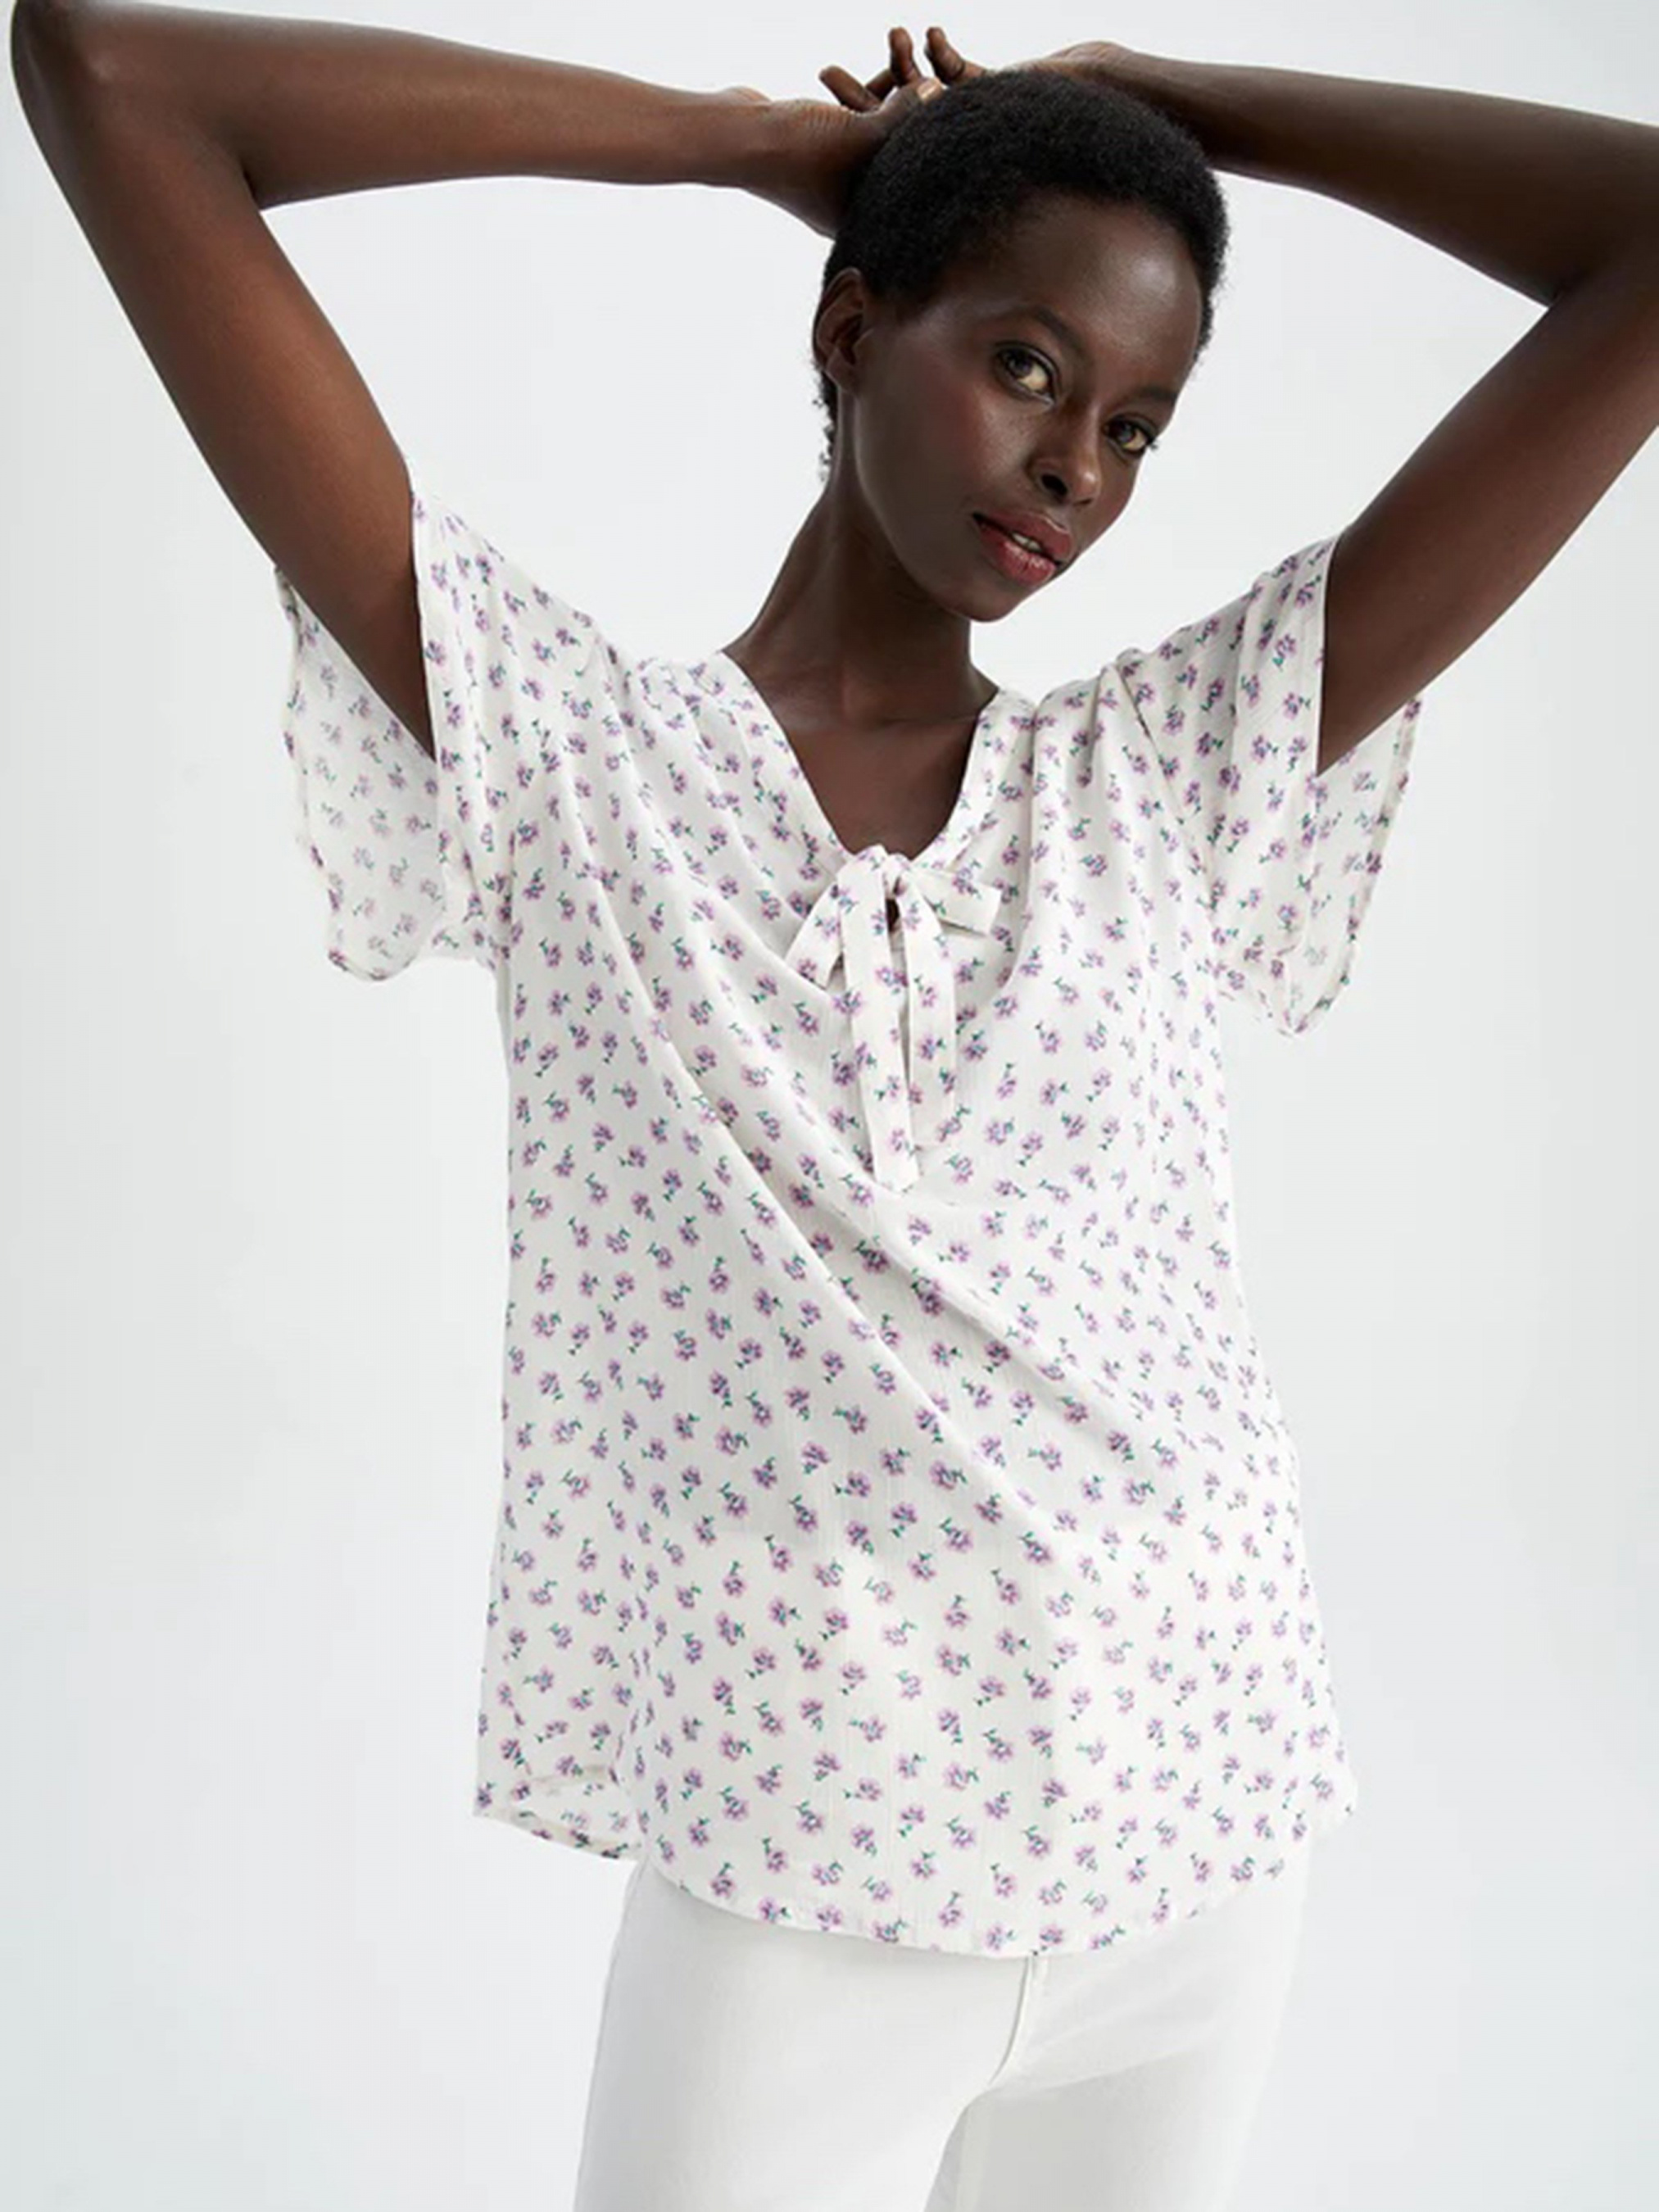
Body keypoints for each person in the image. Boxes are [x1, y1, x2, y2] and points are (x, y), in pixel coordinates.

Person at [14, 7, 1656, 2207]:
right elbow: (113, 79)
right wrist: (735, 144)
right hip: (800, 1890)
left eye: (1137, 424)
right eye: (1028, 366)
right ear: (855, 328)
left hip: (1195, 1850)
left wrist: (1172, 111)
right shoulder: (564, 757)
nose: (1076, 467)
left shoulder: (1164, 777)